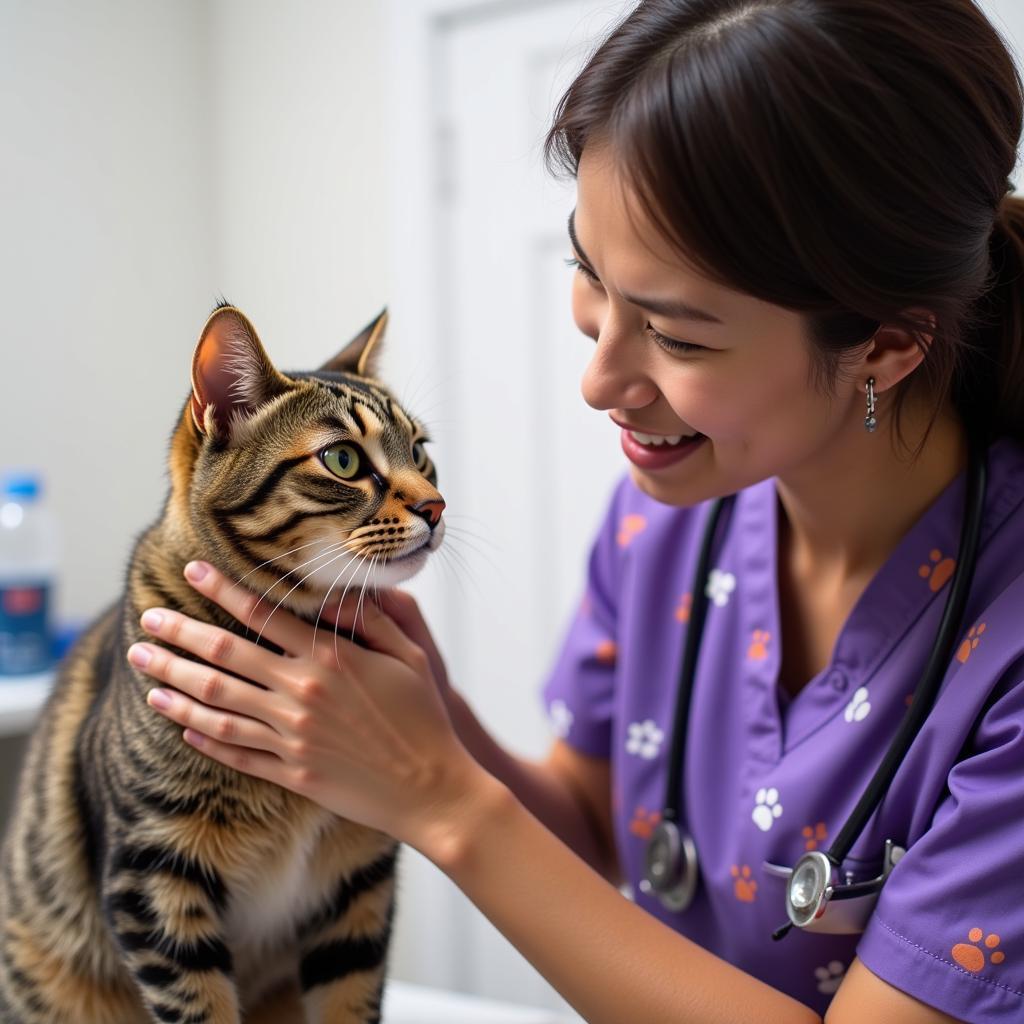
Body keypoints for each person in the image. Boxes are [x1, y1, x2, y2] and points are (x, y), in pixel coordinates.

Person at [129, 1, 1024, 1021]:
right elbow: (597, 818)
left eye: (679, 337)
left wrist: (440, 798)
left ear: (883, 347)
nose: (598, 381)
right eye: (588, 276)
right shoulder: (673, 515)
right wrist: (428, 719)